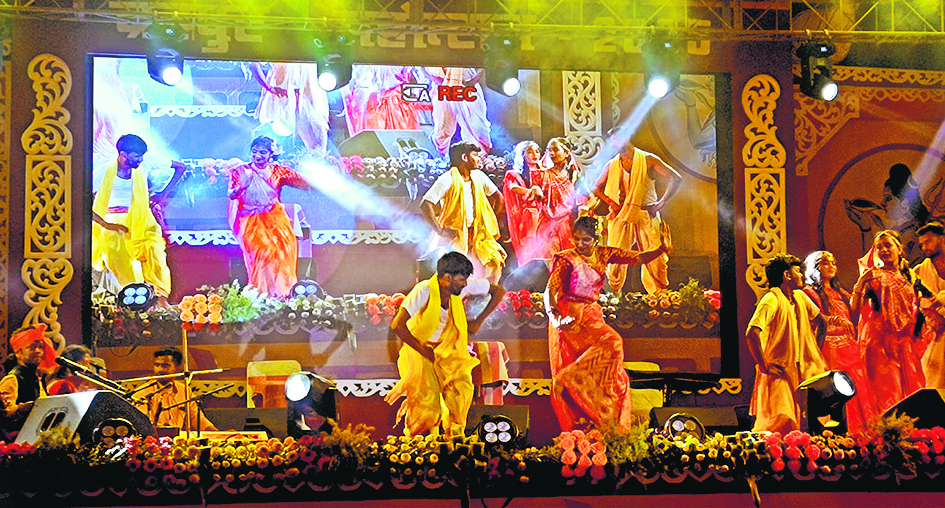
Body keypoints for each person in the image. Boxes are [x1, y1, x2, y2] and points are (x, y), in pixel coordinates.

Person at [545, 216, 672, 432]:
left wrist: (661, 249)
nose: (580, 244)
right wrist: (556, 317)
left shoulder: (604, 254)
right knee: (613, 341)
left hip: (592, 315)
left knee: (609, 373)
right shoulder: (567, 259)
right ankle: (567, 381)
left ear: (596, 239)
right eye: (577, 239)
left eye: (586, 239)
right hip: (571, 317)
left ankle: (601, 426)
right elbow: (550, 290)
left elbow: (637, 258)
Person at [384, 252, 506, 436]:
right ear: (447, 278)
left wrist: (478, 321)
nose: (465, 284)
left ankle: (454, 441)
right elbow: (397, 326)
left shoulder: (460, 288)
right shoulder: (423, 290)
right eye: (461, 279)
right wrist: (423, 350)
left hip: (449, 349)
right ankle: (416, 446)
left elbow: (498, 292)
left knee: (462, 391)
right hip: (419, 350)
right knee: (428, 406)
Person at [92, 134, 187, 306]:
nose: (141, 159)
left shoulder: (146, 162)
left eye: (142, 155)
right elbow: (80, 200)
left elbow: (181, 167)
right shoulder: (103, 172)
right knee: (120, 263)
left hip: (143, 219)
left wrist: (164, 194)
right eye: (137, 156)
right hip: (114, 223)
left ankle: (160, 299)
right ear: (123, 155)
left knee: (154, 251)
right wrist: (106, 224)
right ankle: (132, 305)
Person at [746, 254, 829, 435]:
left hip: (802, 370)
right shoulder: (771, 299)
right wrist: (764, 365)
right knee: (781, 423)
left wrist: (814, 352)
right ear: (787, 275)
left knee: (807, 423)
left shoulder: (800, 297)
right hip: (780, 371)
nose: (802, 275)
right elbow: (752, 333)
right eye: (798, 271)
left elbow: (822, 322)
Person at [852, 230, 926, 420]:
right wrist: (860, 283)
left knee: (913, 392)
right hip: (880, 344)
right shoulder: (873, 276)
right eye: (879, 247)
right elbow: (854, 309)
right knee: (888, 394)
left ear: (899, 249)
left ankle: (914, 436)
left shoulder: (911, 277)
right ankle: (888, 436)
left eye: (888, 245)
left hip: (906, 343)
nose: (884, 250)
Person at [592, 139, 682, 294]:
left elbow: (675, 177)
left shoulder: (648, 159)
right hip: (621, 215)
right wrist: (611, 202)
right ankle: (614, 300)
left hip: (646, 214)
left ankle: (658, 299)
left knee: (656, 261)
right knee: (614, 262)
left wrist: (661, 202)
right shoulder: (612, 165)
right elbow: (596, 187)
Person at [803, 251, 875, 434]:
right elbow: (813, 318)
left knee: (859, 388)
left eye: (833, 262)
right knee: (839, 390)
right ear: (815, 267)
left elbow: (855, 313)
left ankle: (863, 433)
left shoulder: (840, 292)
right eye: (826, 263)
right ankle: (844, 432)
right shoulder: (808, 293)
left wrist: (861, 285)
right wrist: (836, 321)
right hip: (829, 347)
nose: (831, 266)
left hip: (850, 347)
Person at [229, 136, 310, 297]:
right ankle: (261, 296)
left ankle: (283, 296)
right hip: (251, 221)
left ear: (271, 154)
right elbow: (231, 194)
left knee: (283, 253)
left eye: (262, 152)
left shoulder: (278, 171)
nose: (257, 156)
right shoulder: (240, 171)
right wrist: (241, 188)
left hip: (276, 219)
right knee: (262, 254)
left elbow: (304, 182)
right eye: (254, 152)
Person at [421, 142, 506, 283]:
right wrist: (439, 230)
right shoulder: (448, 179)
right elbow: (425, 204)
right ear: (464, 157)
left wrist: (489, 220)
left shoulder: (479, 176)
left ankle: (486, 295)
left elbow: (498, 198)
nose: (479, 159)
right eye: (475, 155)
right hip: (456, 235)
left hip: (479, 233)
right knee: (454, 275)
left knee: (494, 263)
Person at [250, 62, 330, 156]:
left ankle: (317, 160)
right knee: (271, 140)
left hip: (309, 97)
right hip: (283, 98)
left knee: (317, 141)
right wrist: (269, 87)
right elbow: (254, 64)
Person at [133, 346, 217, 431]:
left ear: (177, 368)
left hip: (178, 438)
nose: (160, 370)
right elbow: (140, 424)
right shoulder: (143, 392)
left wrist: (217, 433)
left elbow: (197, 419)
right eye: (157, 365)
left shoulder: (184, 391)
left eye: (165, 365)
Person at [0, 324, 57, 441]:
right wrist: (33, 406)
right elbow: (6, 414)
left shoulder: (38, 378)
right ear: (18, 352)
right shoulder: (12, 379)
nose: (38, 351)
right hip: (18, 443)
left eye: (40, 347)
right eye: (32, 347)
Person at [424, 67, 492, 155]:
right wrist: (433, 78)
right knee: (442, 130)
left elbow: (485, 65)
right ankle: (444, 157)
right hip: (442, 88)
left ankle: (479, 155)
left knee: (477, 127)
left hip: (467, 87)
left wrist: (474, 80)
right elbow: (421, 65)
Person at [912, 222, 945, 388]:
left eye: (928, 242)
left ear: (943, 240)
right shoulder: (920, 271)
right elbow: (920, 306)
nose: (924, 247)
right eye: (921, 245)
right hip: (938, 334)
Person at [533, 138, 577, 260]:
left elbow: (588, 197)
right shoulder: (542, 175)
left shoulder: (574, 176)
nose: (552, 153)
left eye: (556, 150)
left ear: (566, 153)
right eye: (549, 150)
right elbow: (533, 191)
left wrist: (584, 210)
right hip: (547, 224)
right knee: (551, 259)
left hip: (568, 223)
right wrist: (535, 189)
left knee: (570, 260)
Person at [502, 141, 543, 266]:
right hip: (526, 218)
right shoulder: (513, 174)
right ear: (522, 155)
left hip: (544, 216)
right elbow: (513, 187)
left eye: (537, 151)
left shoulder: (544, 173)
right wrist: (532, 191)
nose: (535, 154)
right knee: (529, 250)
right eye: (530, 152)